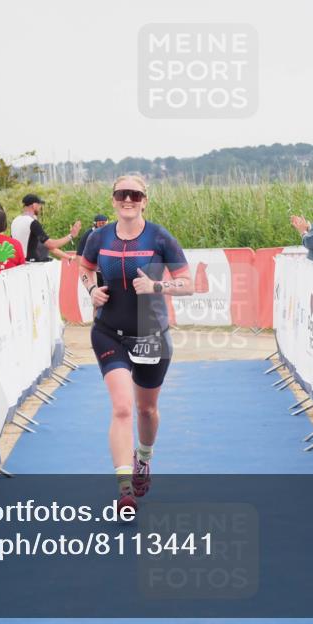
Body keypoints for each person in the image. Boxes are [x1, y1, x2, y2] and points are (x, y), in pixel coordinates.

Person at [78, 175, 193, 512]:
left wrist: (157, 288)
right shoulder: (98, 237)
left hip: (150, 333)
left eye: (135, 194)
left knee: (146, 409)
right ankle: (125, 489)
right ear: (113, 199)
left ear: (145, 200)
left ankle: (143, 458)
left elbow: (187, 284)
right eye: (121, 194)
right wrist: (90, 290)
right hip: (108, 331)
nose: (127, 199)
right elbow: (84, 269)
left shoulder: (159, 237)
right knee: (122, 407)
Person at [10, 193, 81, 262]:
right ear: (34, 205)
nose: (40, 208)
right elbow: (50, 245)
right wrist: (71, 236)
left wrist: (69, 257)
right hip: (30, 264)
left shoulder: (15, 221)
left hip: (17, 262)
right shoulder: (32, 223)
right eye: (39, 205)